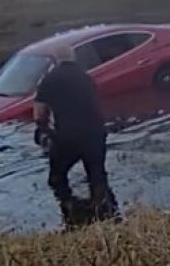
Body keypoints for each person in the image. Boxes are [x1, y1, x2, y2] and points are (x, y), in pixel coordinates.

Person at [33, 44, 117, 219]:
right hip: (96, 133)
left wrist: (43, 130)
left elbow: (39, 113)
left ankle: (71, 210)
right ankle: (107, 214)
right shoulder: (85, 77)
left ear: (55, 59)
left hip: (68, 136)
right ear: (73, 58)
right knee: (97, 176)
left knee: (57, 177)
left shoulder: (49, 79)